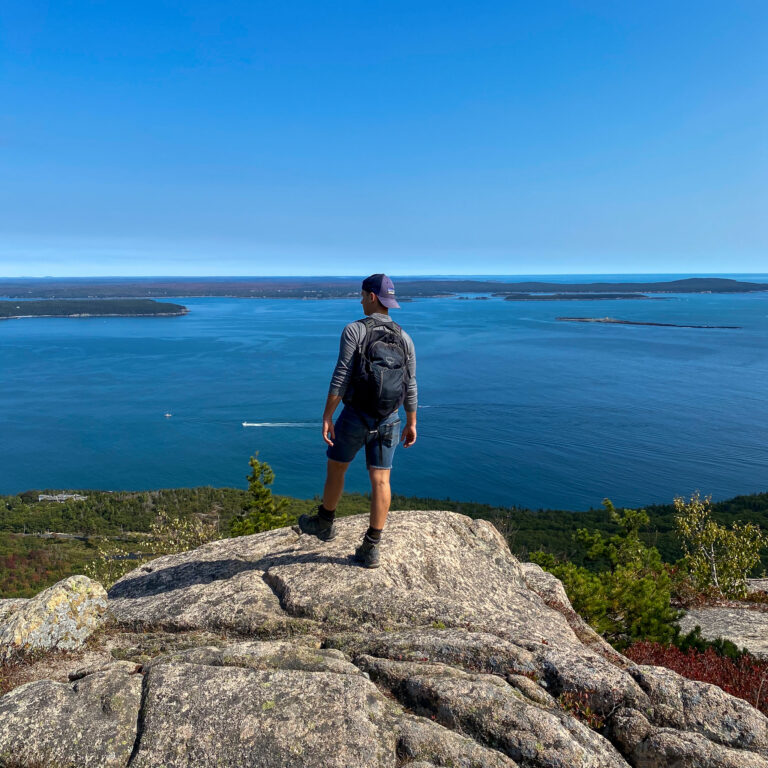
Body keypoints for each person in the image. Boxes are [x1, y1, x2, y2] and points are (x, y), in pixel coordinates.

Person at [298, 273, 417, 567]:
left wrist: (328, 415)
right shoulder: (405, 337)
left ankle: (325, 522)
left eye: (363, 295)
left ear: (372, 297)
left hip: (355, 416)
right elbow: (411, 384)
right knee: (381, 479)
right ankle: (371, 547)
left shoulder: (355, 330)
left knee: (337, 466)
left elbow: (342, 374)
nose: (361, 300)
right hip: (390, 418)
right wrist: (412, 421)